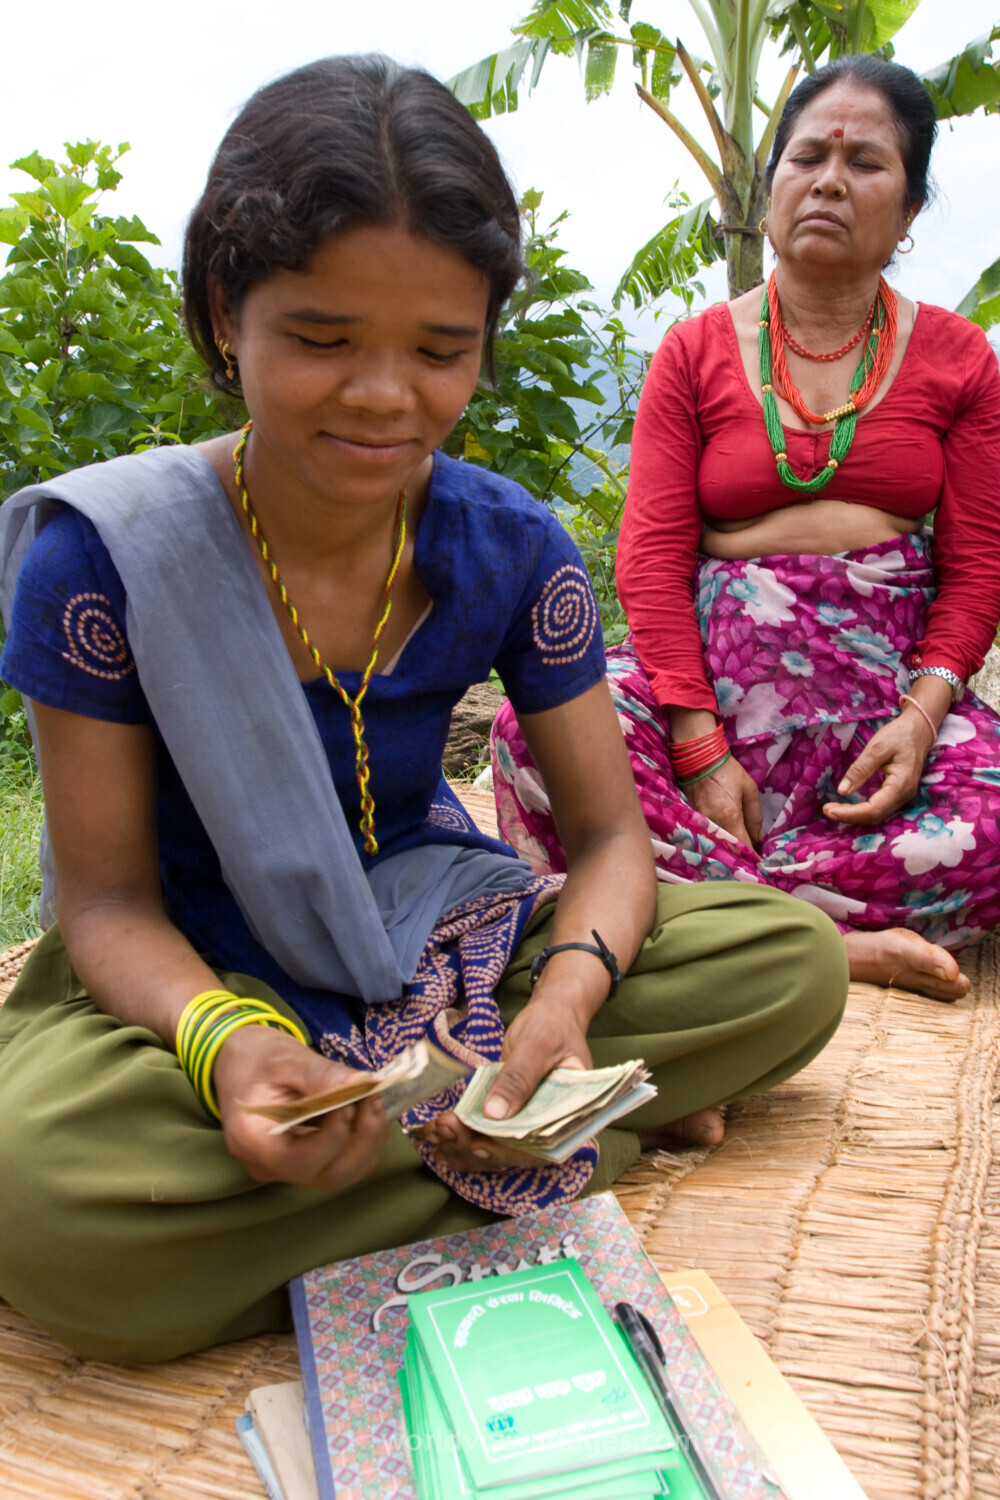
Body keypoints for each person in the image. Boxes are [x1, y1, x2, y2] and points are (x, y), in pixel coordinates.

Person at [0, 55, 846, 1364]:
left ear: (483, 340)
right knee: (43, 1207)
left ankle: (434, 1140)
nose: (386, 396)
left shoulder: (507, 549)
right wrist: (225, 1052)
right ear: (229, 313)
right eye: (324, 340)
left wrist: (568, 996)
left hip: (434, 933)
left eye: (442, 350)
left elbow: (612, 844)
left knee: (789, 963)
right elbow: (107, 905)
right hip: (186, 974)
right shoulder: (107, 561)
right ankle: (570, 1143)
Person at [493, 56, 1000, 1006]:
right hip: (713, 706)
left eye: (868, 164)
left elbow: (978, 571)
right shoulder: (693, 351)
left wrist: (921, 721)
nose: (831, 181)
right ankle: (838, 939)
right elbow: (648, 557)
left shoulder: (958, 358)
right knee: (534, 737)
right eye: (807, 156)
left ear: (912, 207)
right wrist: (697, 742)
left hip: (879, 726)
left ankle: (714, 909)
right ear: (772, 187)